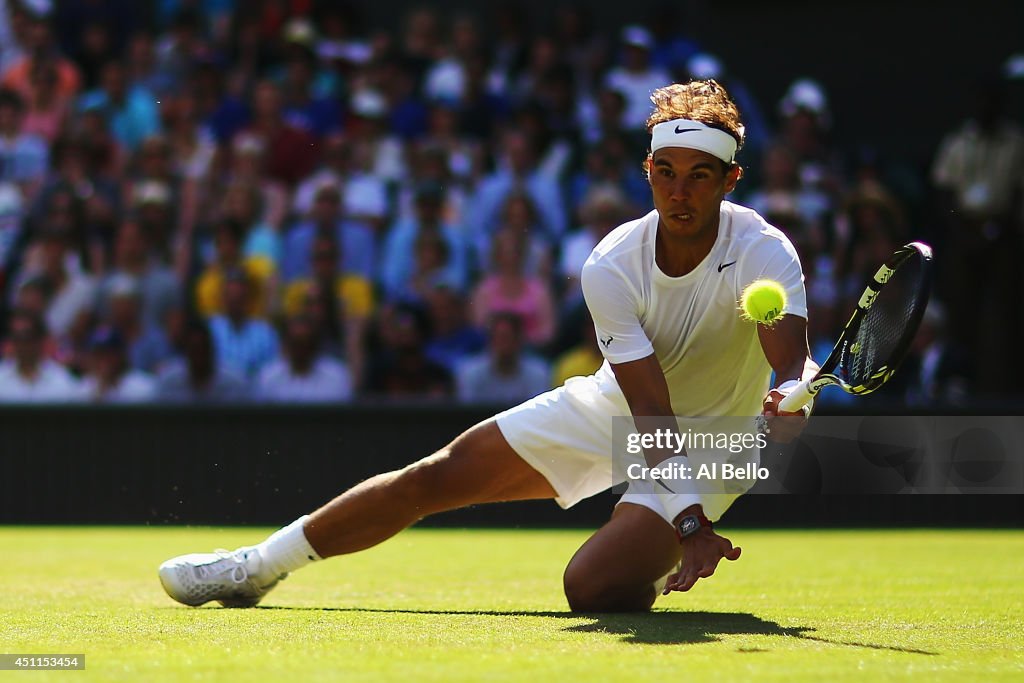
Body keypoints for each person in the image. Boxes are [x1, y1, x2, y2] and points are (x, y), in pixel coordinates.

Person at [158, 80, 816, 612]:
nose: (680, 191)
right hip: (626, 411)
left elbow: (788, 360)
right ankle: (254, 567)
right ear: (647, 170)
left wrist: (789, 398)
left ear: (731, 181)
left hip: (721, 440)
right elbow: (647, 409)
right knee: (433, 475)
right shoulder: (612, 264)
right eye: (666, 172)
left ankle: (642, 548)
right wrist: (691, 526)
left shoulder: (764, 253)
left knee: (591, 588)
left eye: (701, 176)